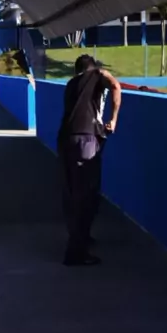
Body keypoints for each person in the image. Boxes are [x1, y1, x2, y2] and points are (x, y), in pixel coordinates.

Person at [57, 55, 121, 266]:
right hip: (85, 139)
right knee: (86, 195)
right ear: (92, 67)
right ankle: (76, 252)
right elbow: (115, 86)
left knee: (71, 193)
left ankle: (80, 238)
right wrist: (113, 119)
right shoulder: (97, 74)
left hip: (65, 139)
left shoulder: (70, 84)